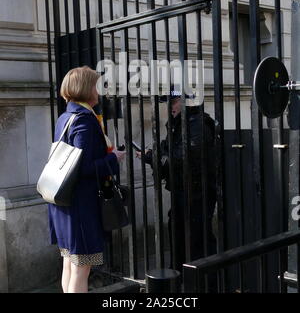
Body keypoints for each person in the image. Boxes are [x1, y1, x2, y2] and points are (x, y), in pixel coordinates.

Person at [48, 66, 126, 293]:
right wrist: (113, 158)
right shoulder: (84, 119)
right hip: (80, 205)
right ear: (86, 88)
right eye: (97, 85)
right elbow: (82, 168)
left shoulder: (65, 117)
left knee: (70, 265)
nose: (100, 90)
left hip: (66, 204)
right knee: (81, 268)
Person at [136, 88, 217, 275]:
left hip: (198, 192)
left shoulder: (198, 124)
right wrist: (154, 154)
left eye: (173, 102)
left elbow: (182, 158)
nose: (169, 107)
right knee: (178, 232)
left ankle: (203, 278)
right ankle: (179, 274)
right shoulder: (177, 123)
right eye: (168, 102)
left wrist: (154, 158)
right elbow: (169, 150)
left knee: (198, 238)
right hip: (181, 190)